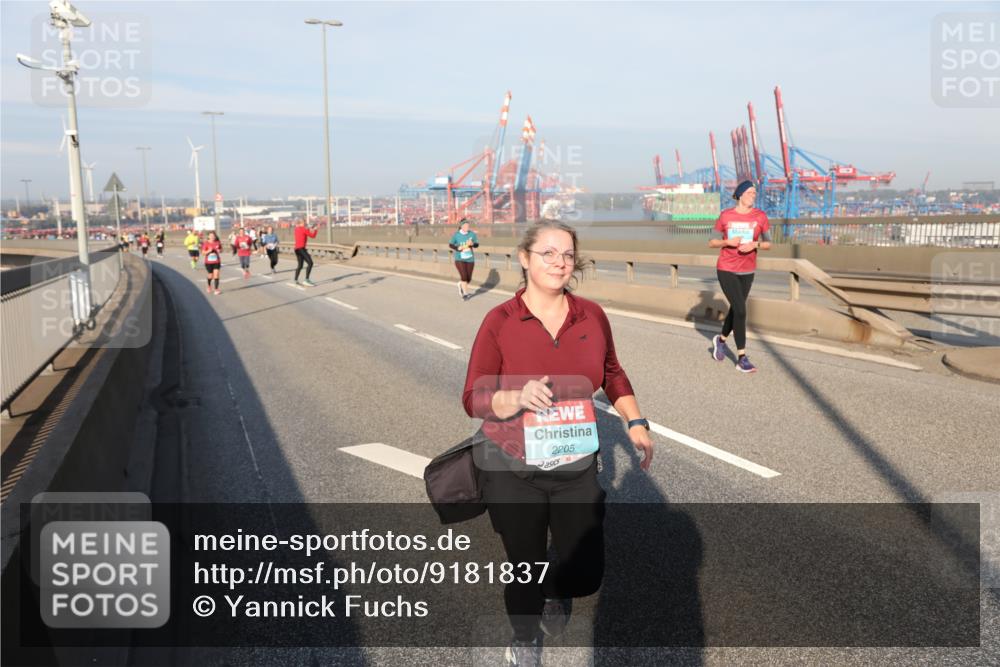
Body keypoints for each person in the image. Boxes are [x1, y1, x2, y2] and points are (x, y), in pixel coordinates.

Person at [462, 220, 654, 666]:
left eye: (567, 254)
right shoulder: (501, 321)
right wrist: (514, 397)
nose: (559, 262)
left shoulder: (591, 315)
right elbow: (473, 396)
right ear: (525, 258)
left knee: (585, 570)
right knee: (524, 564)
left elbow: (611, 372)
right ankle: (523, 638)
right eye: (547, 253)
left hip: (575, 464)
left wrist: (635, 420)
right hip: (511, 465)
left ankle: (556, 589)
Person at [709, 180, 771, 373]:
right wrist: (728, 241)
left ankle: (720, 340)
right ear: (741, 194)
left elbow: (769, 243)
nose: (754, 195)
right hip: (726, 268)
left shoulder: (760, 216)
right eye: (750, 192)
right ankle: (742, 358)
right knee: (741, 311)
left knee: (736, 310)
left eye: (755, 193)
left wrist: (755, 245)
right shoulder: (726, 215)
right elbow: (711, 242)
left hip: (748, 270)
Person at [448, 218, 479, 300]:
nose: (467, 226)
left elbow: (477, 244)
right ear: (461, 226)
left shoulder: (472, 234)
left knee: (468, 278)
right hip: (459, 259)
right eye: (465, 225)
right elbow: (450, 245)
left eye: (468, 225)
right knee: (464, 276)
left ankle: (461, 284)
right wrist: (457, 248)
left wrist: (472, 244)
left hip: (470, 258)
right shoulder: (456, 235)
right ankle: (465, 294)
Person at [293, 218, 318, 286]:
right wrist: (315, 230)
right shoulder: (303, 229)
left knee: (300, 265)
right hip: (301, 249)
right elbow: (312, 236)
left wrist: (310, 229)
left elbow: (305, 232)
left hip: (296, 249)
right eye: (304, 222)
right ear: (301, 223)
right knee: (310, 263)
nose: (305, 223)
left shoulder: (296, 229)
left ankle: (295, 280)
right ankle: (306, 280)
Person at [202, 231, 223, 295]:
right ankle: (209, 285)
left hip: (217, 261)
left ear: (215, 236)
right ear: (208, 236)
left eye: (213, 236)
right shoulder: (206, 243)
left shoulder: (217, 243)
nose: (212, 237)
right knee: (210, 275)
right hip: (208, 262)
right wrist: (208, 251)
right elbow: (203, 253)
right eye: (211, 236)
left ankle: (216, 289)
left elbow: (221, 250)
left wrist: (220, 250)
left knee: (216, 274)